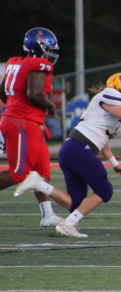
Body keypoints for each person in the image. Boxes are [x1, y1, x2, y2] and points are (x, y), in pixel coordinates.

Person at [14, 73, 121, 237]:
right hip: (79, 148)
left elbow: (103, 140)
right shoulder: (111, 94)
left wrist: (114, 163)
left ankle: (39, 184)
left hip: (73, 149)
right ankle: (69, 224)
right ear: (119, 86)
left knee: (78, 203)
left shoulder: (110, 105)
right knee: (105, 190)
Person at [0, 27, 62, 227]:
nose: (51, 56)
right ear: (39, 47)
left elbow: (2, 91)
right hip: (22, 122)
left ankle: (48, 215)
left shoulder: (14, 62)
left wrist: (12, 107)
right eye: (49, 50)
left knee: (41, 171)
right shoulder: (40, 63)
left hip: (24, 121)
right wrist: (51, 106)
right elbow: (34, 94)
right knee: (20, 173)